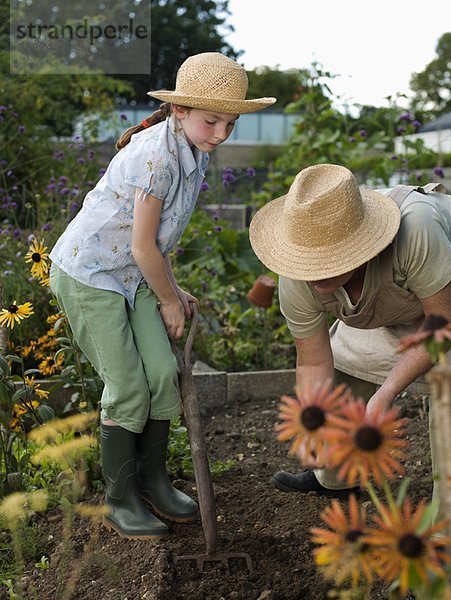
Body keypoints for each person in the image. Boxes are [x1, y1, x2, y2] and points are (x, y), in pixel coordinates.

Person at [49, 52, 276, 540]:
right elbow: (140, 245)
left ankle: (154, 480)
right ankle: (120, 498)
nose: (220, 133)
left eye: (230, 124)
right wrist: (168, 300)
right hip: (91, 275)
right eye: (211, 121)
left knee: (162, 371)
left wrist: (171, 288)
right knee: (129, 383)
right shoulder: (153, 157)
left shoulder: (193, 152)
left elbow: (154, 245)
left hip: (133, 275)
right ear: (179, 111)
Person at [249, 163, 451, 523]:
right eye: (307, 263)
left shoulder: (415, 231)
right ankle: (335, 479)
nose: (314, 274)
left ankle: (445, 520)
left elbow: (441, 324)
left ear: (363, 248)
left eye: (328, 262)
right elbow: (313, 362)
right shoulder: (296, 277)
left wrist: (386, 393)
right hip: (397, 313)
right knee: (340, 369)